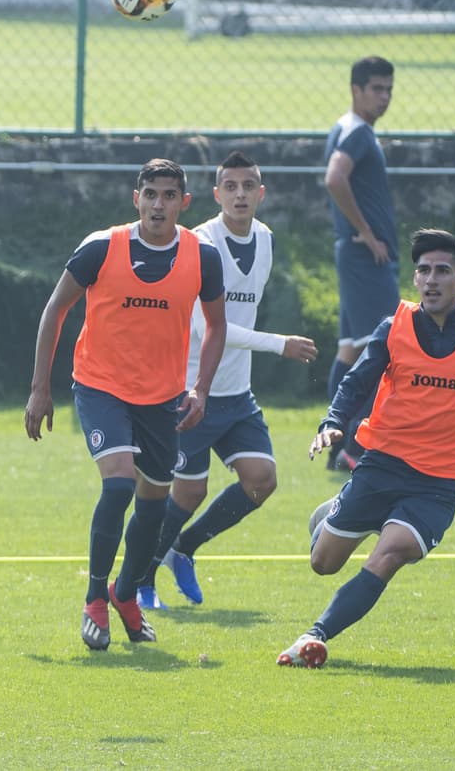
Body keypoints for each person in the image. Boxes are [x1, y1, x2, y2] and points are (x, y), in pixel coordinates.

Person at [279, 229, 455, 669]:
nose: (432, 280)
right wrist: (333, 423)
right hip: (382, 465)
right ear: (415, 279)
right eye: (424, 271)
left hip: (438, 481)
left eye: (442, 271)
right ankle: (336, 509)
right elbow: (357, 381)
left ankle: (313, 636)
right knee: (323, 563)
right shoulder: (394, 327)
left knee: (390, 553)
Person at [24, 158, 227, 651]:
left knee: (155, 504)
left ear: (185, 202)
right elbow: (56, 309)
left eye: (169, 195)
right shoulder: (101, 247)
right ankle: (96, 598)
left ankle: (126, 593)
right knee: (118, 486)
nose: (159, 204)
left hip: (161, 398)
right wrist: (39, 388)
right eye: (151, 194)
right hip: (100, 387)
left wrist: (199, 387)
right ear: (135, 197)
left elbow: (217, 326)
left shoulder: (203, 256)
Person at [136, 151, 319, 610]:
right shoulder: (199, 245)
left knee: (262, 480)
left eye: (249, 185)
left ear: (262, 192)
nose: (241, 194)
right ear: (216, 195)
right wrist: (281, 344)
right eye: (231, 187)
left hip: (237, 395)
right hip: (191, 393)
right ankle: (141, 580)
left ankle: (183, 550)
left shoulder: (266, 240)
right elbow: (206, 327)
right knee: (186, 492)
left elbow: (242, 313)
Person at [323, 55, 400, 471]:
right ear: (356, 89)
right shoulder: (357, 133)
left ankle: (337, 443)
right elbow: (335, 178)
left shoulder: (346, 128)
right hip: (366, 257)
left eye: (389, 89)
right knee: (386, 349)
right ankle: (355, 448)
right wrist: (369, 234)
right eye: (376, 89)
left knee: (351, 349)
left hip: (355, 256)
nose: (384, 97)